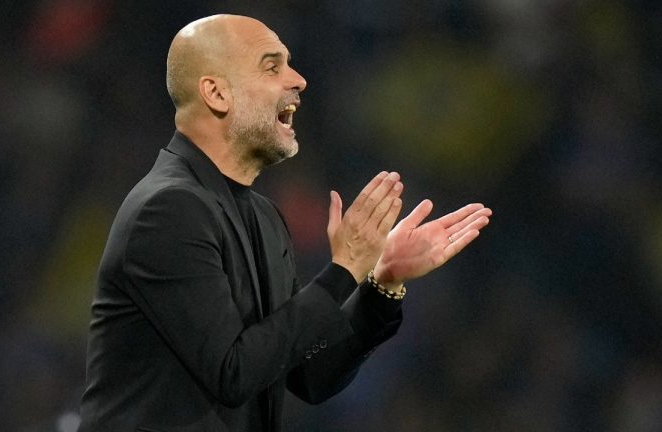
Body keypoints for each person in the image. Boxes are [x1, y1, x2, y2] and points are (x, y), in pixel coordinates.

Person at [77, 14, 491, 432]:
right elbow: (233, 371)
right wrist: (344, 268)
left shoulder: (263, 216)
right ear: (217, 93)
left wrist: (381, 282)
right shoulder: (166, 210)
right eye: (272, 66)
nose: (299, 79)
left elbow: (307, 375)